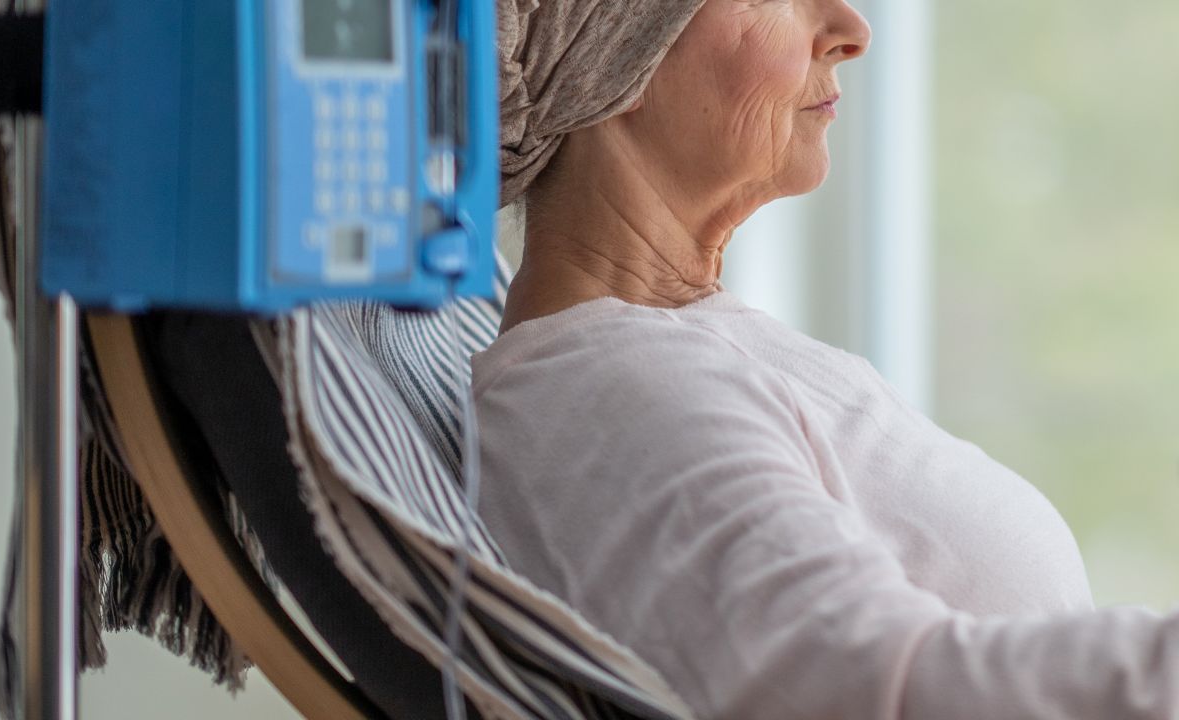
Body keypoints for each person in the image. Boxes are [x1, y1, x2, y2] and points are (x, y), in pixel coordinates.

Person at [473, 1, 1179, 718]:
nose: (851, 30)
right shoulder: (606, 393)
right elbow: (864, 693)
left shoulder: (678, 344)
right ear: (615, 57)